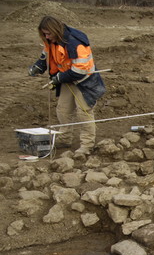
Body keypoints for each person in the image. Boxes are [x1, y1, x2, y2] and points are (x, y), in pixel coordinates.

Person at [28, 16, 106, 155]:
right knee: (63, 110)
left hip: (84, 81)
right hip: (66, 79)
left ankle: (86, 145)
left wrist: (59, 77)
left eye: (48, 33)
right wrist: (39, 66)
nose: (46, 37)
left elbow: (80, 69)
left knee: (84, 113)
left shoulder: (75, 42)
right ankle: (64, 138)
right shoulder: (51, 40)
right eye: (44, 34)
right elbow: (47, 54)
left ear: (55, 30)